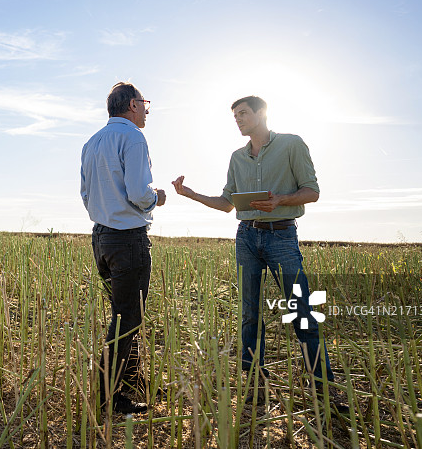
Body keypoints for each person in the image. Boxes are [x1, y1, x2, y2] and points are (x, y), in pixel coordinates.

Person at [172, 95, 347, 411]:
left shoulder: (292, 144)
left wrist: (279, 200)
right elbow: (227, 203)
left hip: (282, 236)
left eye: (243, 113)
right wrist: (191, 194)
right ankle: (256, 386)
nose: (238, 119)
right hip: (246, 239)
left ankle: (325, 390)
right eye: (235, 116)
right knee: (249, 315)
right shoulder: (237, 158)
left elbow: (312, 192)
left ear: (261, 113)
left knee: (302, 312)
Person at [81, 82, 166, 415]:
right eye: (145, 103)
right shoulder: (133, 137)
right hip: (127, 238)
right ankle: (109, 397)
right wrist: (156, 198)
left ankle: (129, 381)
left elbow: (86, 194)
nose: (147, 110)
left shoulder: (92, 142)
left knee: (122, 314)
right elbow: (139, 193)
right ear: (132, 105)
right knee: (128, 319)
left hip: (101, 237)